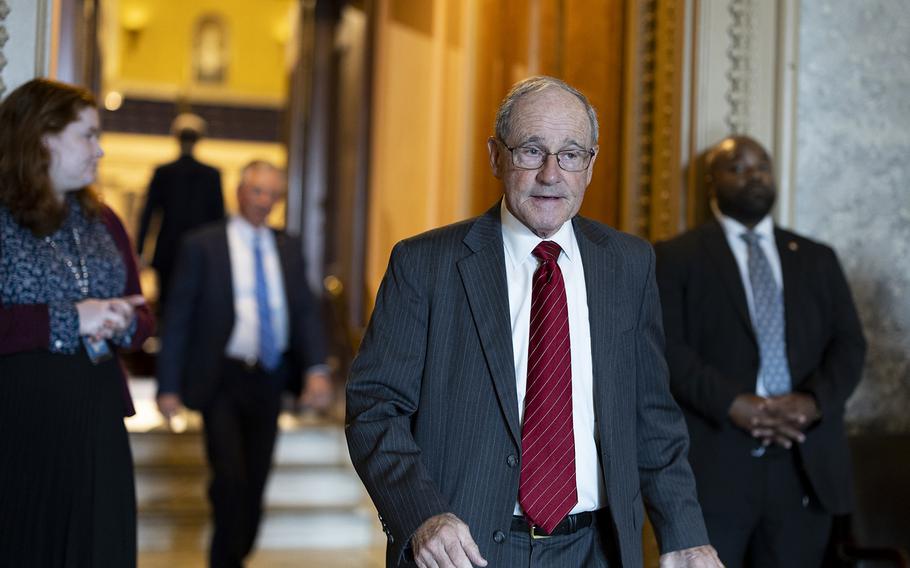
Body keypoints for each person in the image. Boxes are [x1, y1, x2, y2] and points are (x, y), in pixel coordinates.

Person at [346, 76, 721, 568]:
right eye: (531, 151)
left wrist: (684, 533)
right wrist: (422, 515)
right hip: (467, 553)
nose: (551, 174)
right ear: (496, 156)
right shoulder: (425, 264)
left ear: (591, 164)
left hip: (597, 549)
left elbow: (650, 414)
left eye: (570, 154)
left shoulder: (628, 264)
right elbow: (375, 407)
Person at [654, 135, 866, 568]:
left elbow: (849, 345)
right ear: (711, 182)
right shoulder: (675, 257)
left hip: (804, 465)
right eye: (737, 167)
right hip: (715, 465)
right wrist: (733, 403)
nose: (753, 176)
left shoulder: (817, 258)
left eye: (762, 166)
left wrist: (811, 403)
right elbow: (666, 348)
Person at [0, 78, 154, 566]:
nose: (100, 149)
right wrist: (69, 319)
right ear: (42, 138)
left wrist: (124, 320)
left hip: (97, 412)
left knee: (98, 547)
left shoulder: (103, 219)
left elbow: (143, 313)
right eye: (87, 135)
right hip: (19, 418)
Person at [155, 160, 334, 568]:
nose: (265, 202)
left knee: (254, 481)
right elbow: (178, 318)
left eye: (273, 194)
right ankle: (225, 560)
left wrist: (316, 368)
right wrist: (168, 386)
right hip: (220, 377)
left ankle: (235, 552)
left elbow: (304, 311)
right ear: (240, 192)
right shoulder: (203, 244)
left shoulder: (287, 246)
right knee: (229, 477)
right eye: (258, 192)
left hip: (269, 378)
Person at [136, 112, 224, 313]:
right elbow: (218, 218)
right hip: (202, 253)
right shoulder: (211, 175)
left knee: (168, 305)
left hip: (168, 251)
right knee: (196, 306)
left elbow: (148, 214)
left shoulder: (164, 172)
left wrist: (140, 251)